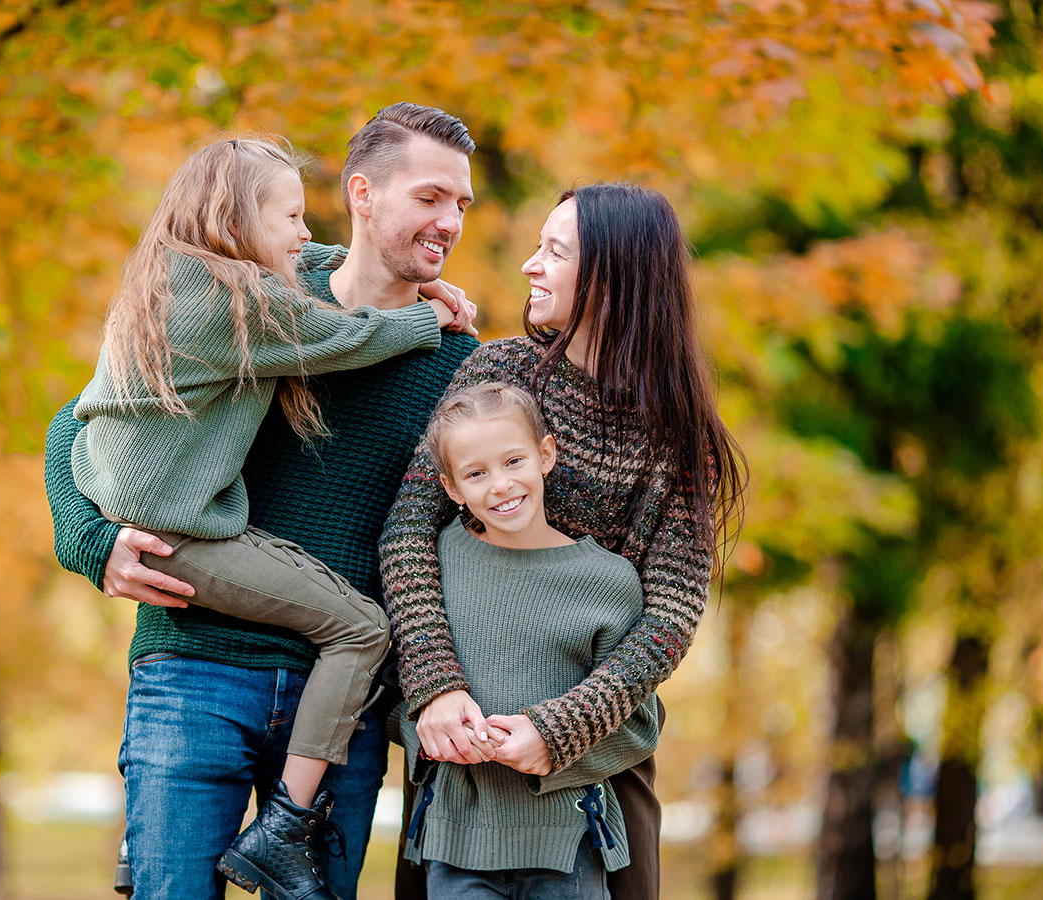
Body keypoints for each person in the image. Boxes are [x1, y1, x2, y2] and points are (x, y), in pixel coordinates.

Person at [43, 103, 480, 900]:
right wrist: (89, 539)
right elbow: (83, 421)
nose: (449, 220)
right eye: (429, 197)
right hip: (192, 670)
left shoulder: (456, 359)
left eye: (462, 203)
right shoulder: (255, 296)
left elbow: (459, 542)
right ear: (362, 194)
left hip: (337, 706)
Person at [380, 182, 747, 900]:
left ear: (613, 277)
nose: (530, 265)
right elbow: (408, 532)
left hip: (600, 763)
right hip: (466, 747)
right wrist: (434, 687)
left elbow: (670, 617)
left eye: (554, 251)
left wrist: (565, 726)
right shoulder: (500, 372)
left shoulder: (680, 435)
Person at [398, 381, 661, 900]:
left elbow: (638, 723)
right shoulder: (437, 564)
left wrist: (555, 742)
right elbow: (400, 685)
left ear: (546, 455)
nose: (499, 485)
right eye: (476, 473)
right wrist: (435, 735)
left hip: (571, 844)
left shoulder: (608, 582)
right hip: (455, 845)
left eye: (513, 461)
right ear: (452, 489)